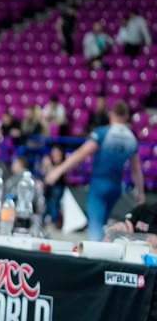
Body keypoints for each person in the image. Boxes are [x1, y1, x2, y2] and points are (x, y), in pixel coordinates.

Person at [44, 100, 145, 241]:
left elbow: (80, 154)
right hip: (116, 187)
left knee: (95, 227)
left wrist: (58, 170)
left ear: (110, 114)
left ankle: (96, 257)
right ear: (127, 116)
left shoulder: (103, 133)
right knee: (102, 223)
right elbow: (136, 169)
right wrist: (140, 191)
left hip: (99, 184)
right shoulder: (131, 138)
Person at [40, 145, 67, 226]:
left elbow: (56, 174)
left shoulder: (62, 163)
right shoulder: (51, 161)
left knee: (54, 204)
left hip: (58, 187)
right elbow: (44, 174)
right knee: (47, 205)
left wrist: (49, 165)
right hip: (49, 188)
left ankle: (53, 223)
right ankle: (43, 222)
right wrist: (44, 165)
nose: (53, 153)